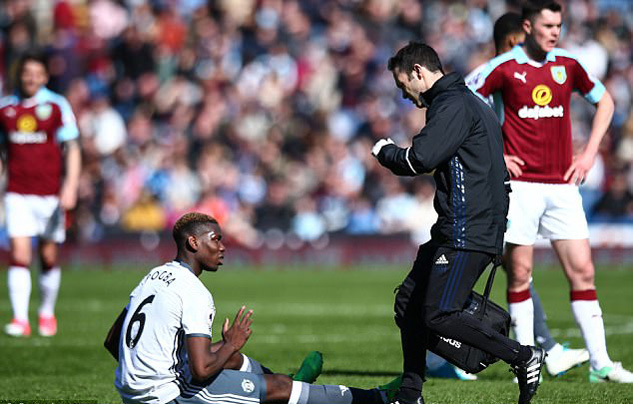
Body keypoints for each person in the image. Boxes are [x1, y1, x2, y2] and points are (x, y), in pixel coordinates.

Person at [372, 42, 544, 404]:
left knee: (438, 314)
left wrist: (384, 151)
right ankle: (410, 393)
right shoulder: (468, 103)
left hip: (467, 231)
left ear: (419, 72)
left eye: (404, 85)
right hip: (461, 227)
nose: (405, 95)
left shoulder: (451, 105)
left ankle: (523, 356)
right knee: (408, 304)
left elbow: (419, 160)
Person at [472, 0, 633, 383]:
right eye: (547, 26)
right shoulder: (502, 68)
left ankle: (601, 364)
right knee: (520, 274)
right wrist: (497, 155)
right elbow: (464, 106)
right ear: (527, 27)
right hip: (521, 189)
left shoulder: (568, 65)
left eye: (559, 25)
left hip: (562, 187)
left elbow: (605, 102)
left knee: (583, 272)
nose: (554, 32)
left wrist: (590, 153)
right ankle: (526, 363)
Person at [104, 212, 399, 404]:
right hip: (168, 397)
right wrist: (231, 343)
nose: (223, 247)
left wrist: (141, 372)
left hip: (133, 392)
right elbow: (202, 369)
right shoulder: (194, 290)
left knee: (233, 359)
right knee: (280, 387)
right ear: (193, 242)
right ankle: (379, 399)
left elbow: (111, 340)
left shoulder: (152, 276)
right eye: (215, 239)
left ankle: (286, 384)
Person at [467, 11, 589, 378]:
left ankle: (544, 348)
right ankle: (462, 354)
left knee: (512, 267)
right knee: (490, 265)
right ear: (511, 42)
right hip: (495, 186)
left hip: (498, 185)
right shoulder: (499, 76)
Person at [1, 51, 81, 337]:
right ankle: (21, 320)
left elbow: (71, 148)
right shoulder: (6, 109)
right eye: (26, 72)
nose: (31, 78)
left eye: (37, 73)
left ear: (45, 77)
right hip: (17, 193)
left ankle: (46, 313)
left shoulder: (57, 106)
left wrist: (70, 185)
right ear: (19, 75)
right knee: (20, 254)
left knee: (48, 256)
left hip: (49, 194)